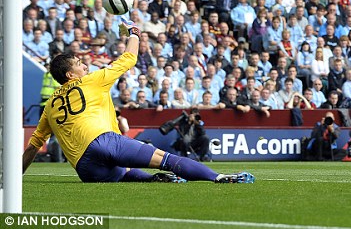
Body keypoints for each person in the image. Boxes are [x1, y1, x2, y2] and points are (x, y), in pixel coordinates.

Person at [22, 20, 254, 184]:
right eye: (79, 63)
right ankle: (220, 177)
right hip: (104, 141)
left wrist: (14, 179)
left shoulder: (51, 104)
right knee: (168, 159)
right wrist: (134, 32)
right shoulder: (92, 80)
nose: (85, 65)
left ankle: (155, 180)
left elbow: (33, 146)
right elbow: (130, 58)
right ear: (70, 75)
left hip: (85, 168)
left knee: (124, 173)